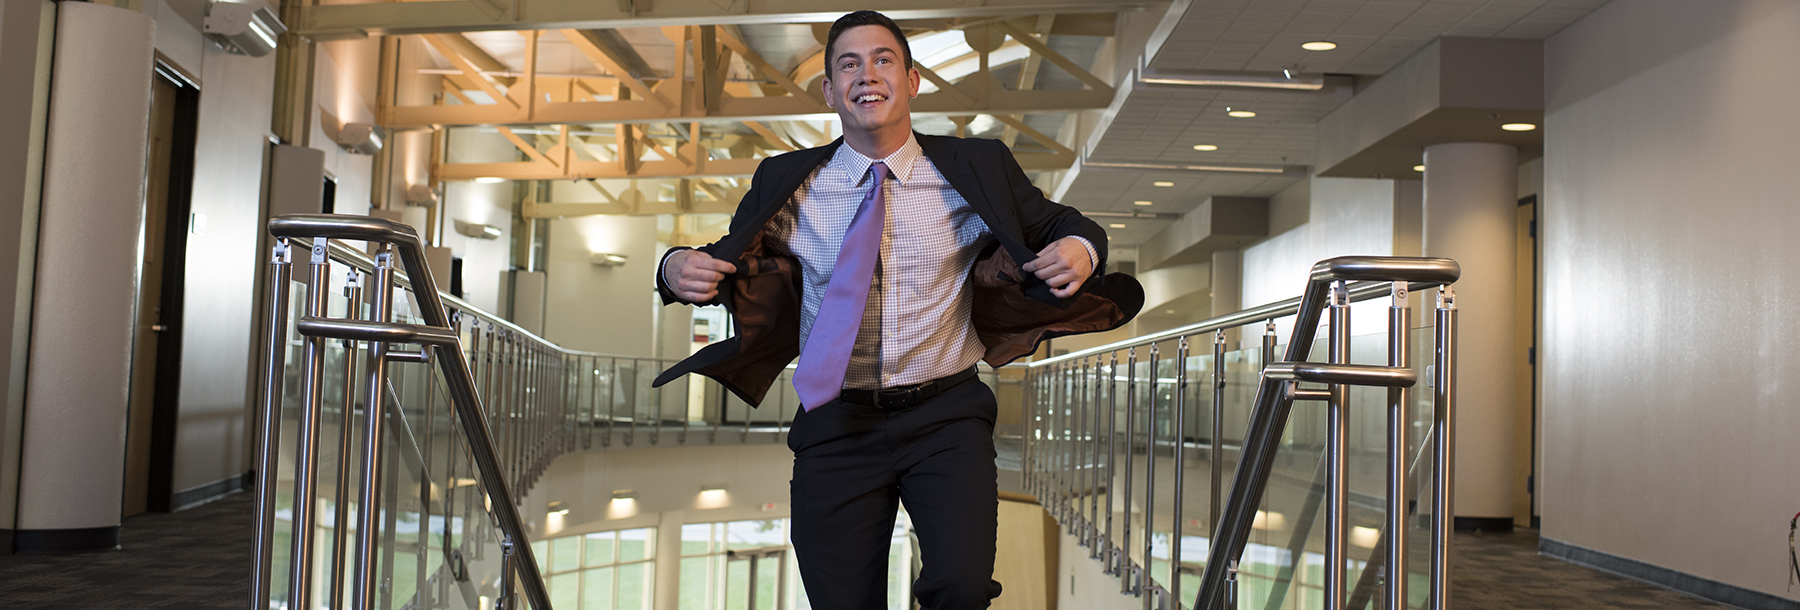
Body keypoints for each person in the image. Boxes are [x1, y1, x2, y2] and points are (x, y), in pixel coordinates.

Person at [653, 10, 1141, 609]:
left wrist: (1079, 247)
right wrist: (672, 266)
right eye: (848, 63)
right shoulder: (786, 178)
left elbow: (1065, 224)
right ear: (830, 89)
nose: (867, 74)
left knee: (961, 588)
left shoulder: (975, 166)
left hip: (946, 416)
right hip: (835, 422)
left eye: (883, 59)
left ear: (911, 80)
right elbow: (720, 261)